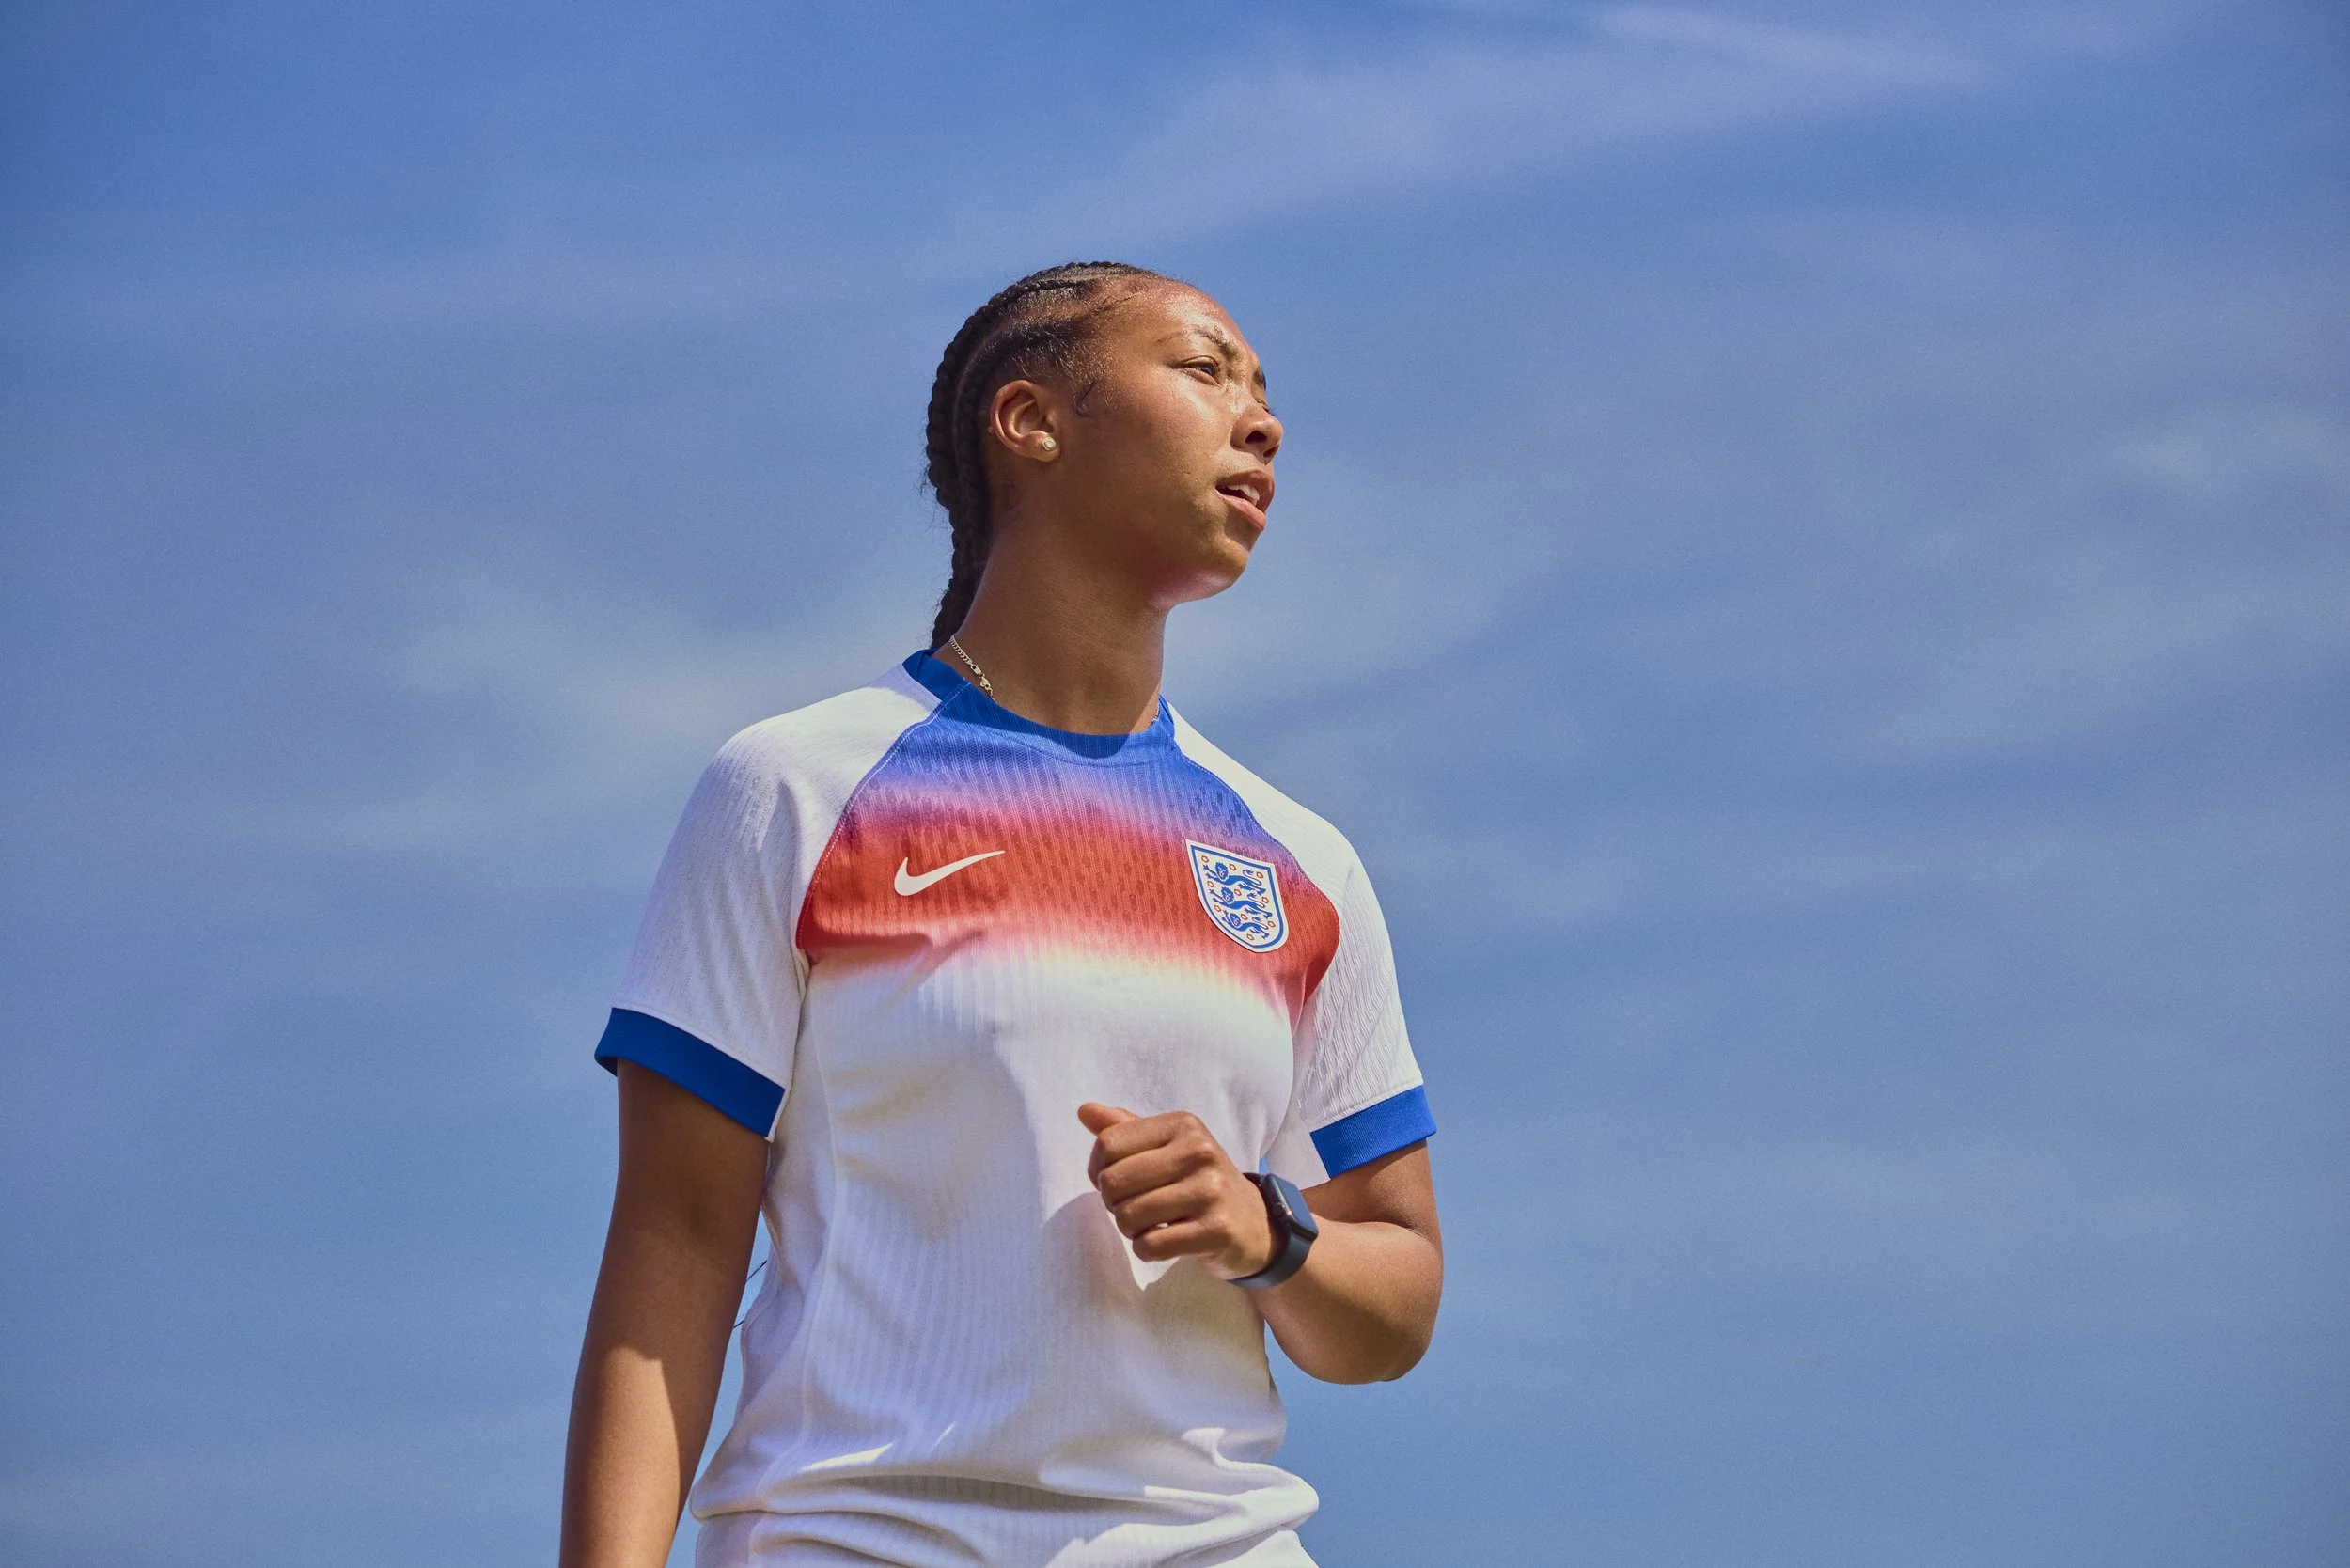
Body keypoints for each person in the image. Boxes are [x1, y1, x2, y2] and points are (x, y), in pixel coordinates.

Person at [560, 262, 1443, 1567]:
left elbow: (1400, 1301)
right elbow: (677, 1247)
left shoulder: (1306, 862)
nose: (1260, 421)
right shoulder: (796, 788)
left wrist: (1269, 1228)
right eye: (1205, 370)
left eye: (1265, 392)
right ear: (1029, 421)